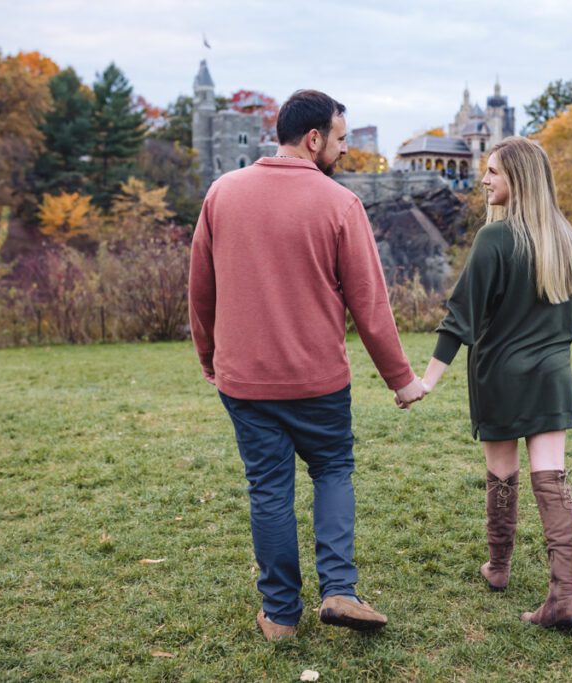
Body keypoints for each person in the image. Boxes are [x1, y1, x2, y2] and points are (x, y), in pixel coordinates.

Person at [188, 89, 427, 641]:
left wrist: (210, 360)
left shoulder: (221, 194)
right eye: (341, 139)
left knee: (269, 489)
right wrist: (402, 380)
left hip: (244, 381)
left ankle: (279, 616)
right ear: (314, 138)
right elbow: (369, 303)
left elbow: (201, 292)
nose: (345, 151)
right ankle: (339, 589)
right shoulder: (339, 204)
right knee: (333, 470)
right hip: (318, 381)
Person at [420, 136, 572, 630]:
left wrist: (426, 381)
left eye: (493, 171)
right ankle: (566, 596)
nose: (484, 179)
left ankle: (499, 567)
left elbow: (460, 317)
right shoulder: (564, 237)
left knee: (502, 476)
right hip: (553, 376)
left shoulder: (495, 239)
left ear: (520, 178)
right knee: (552, 481)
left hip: (499, 375)